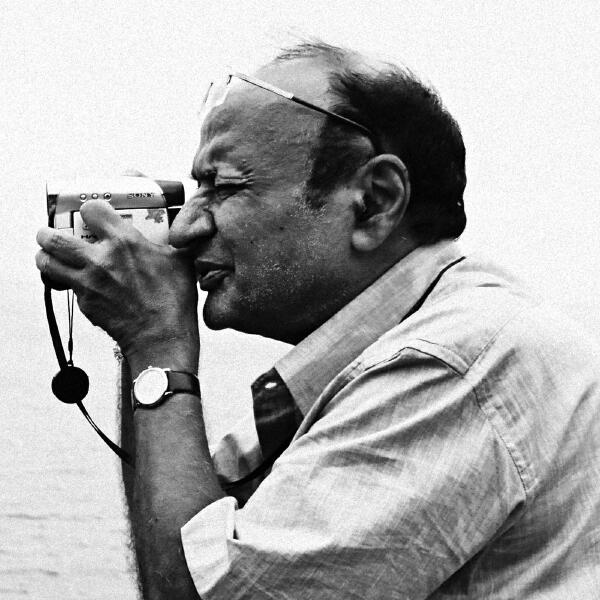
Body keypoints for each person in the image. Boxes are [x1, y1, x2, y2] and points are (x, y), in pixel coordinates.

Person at [36, 41, 600, 599]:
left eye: (224, 186)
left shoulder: (451, 364)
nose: (185, 228)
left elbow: (195, 591)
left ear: (375, 201)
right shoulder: (436, 336)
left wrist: (155, 341)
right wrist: (141, 340)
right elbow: (194, 543)